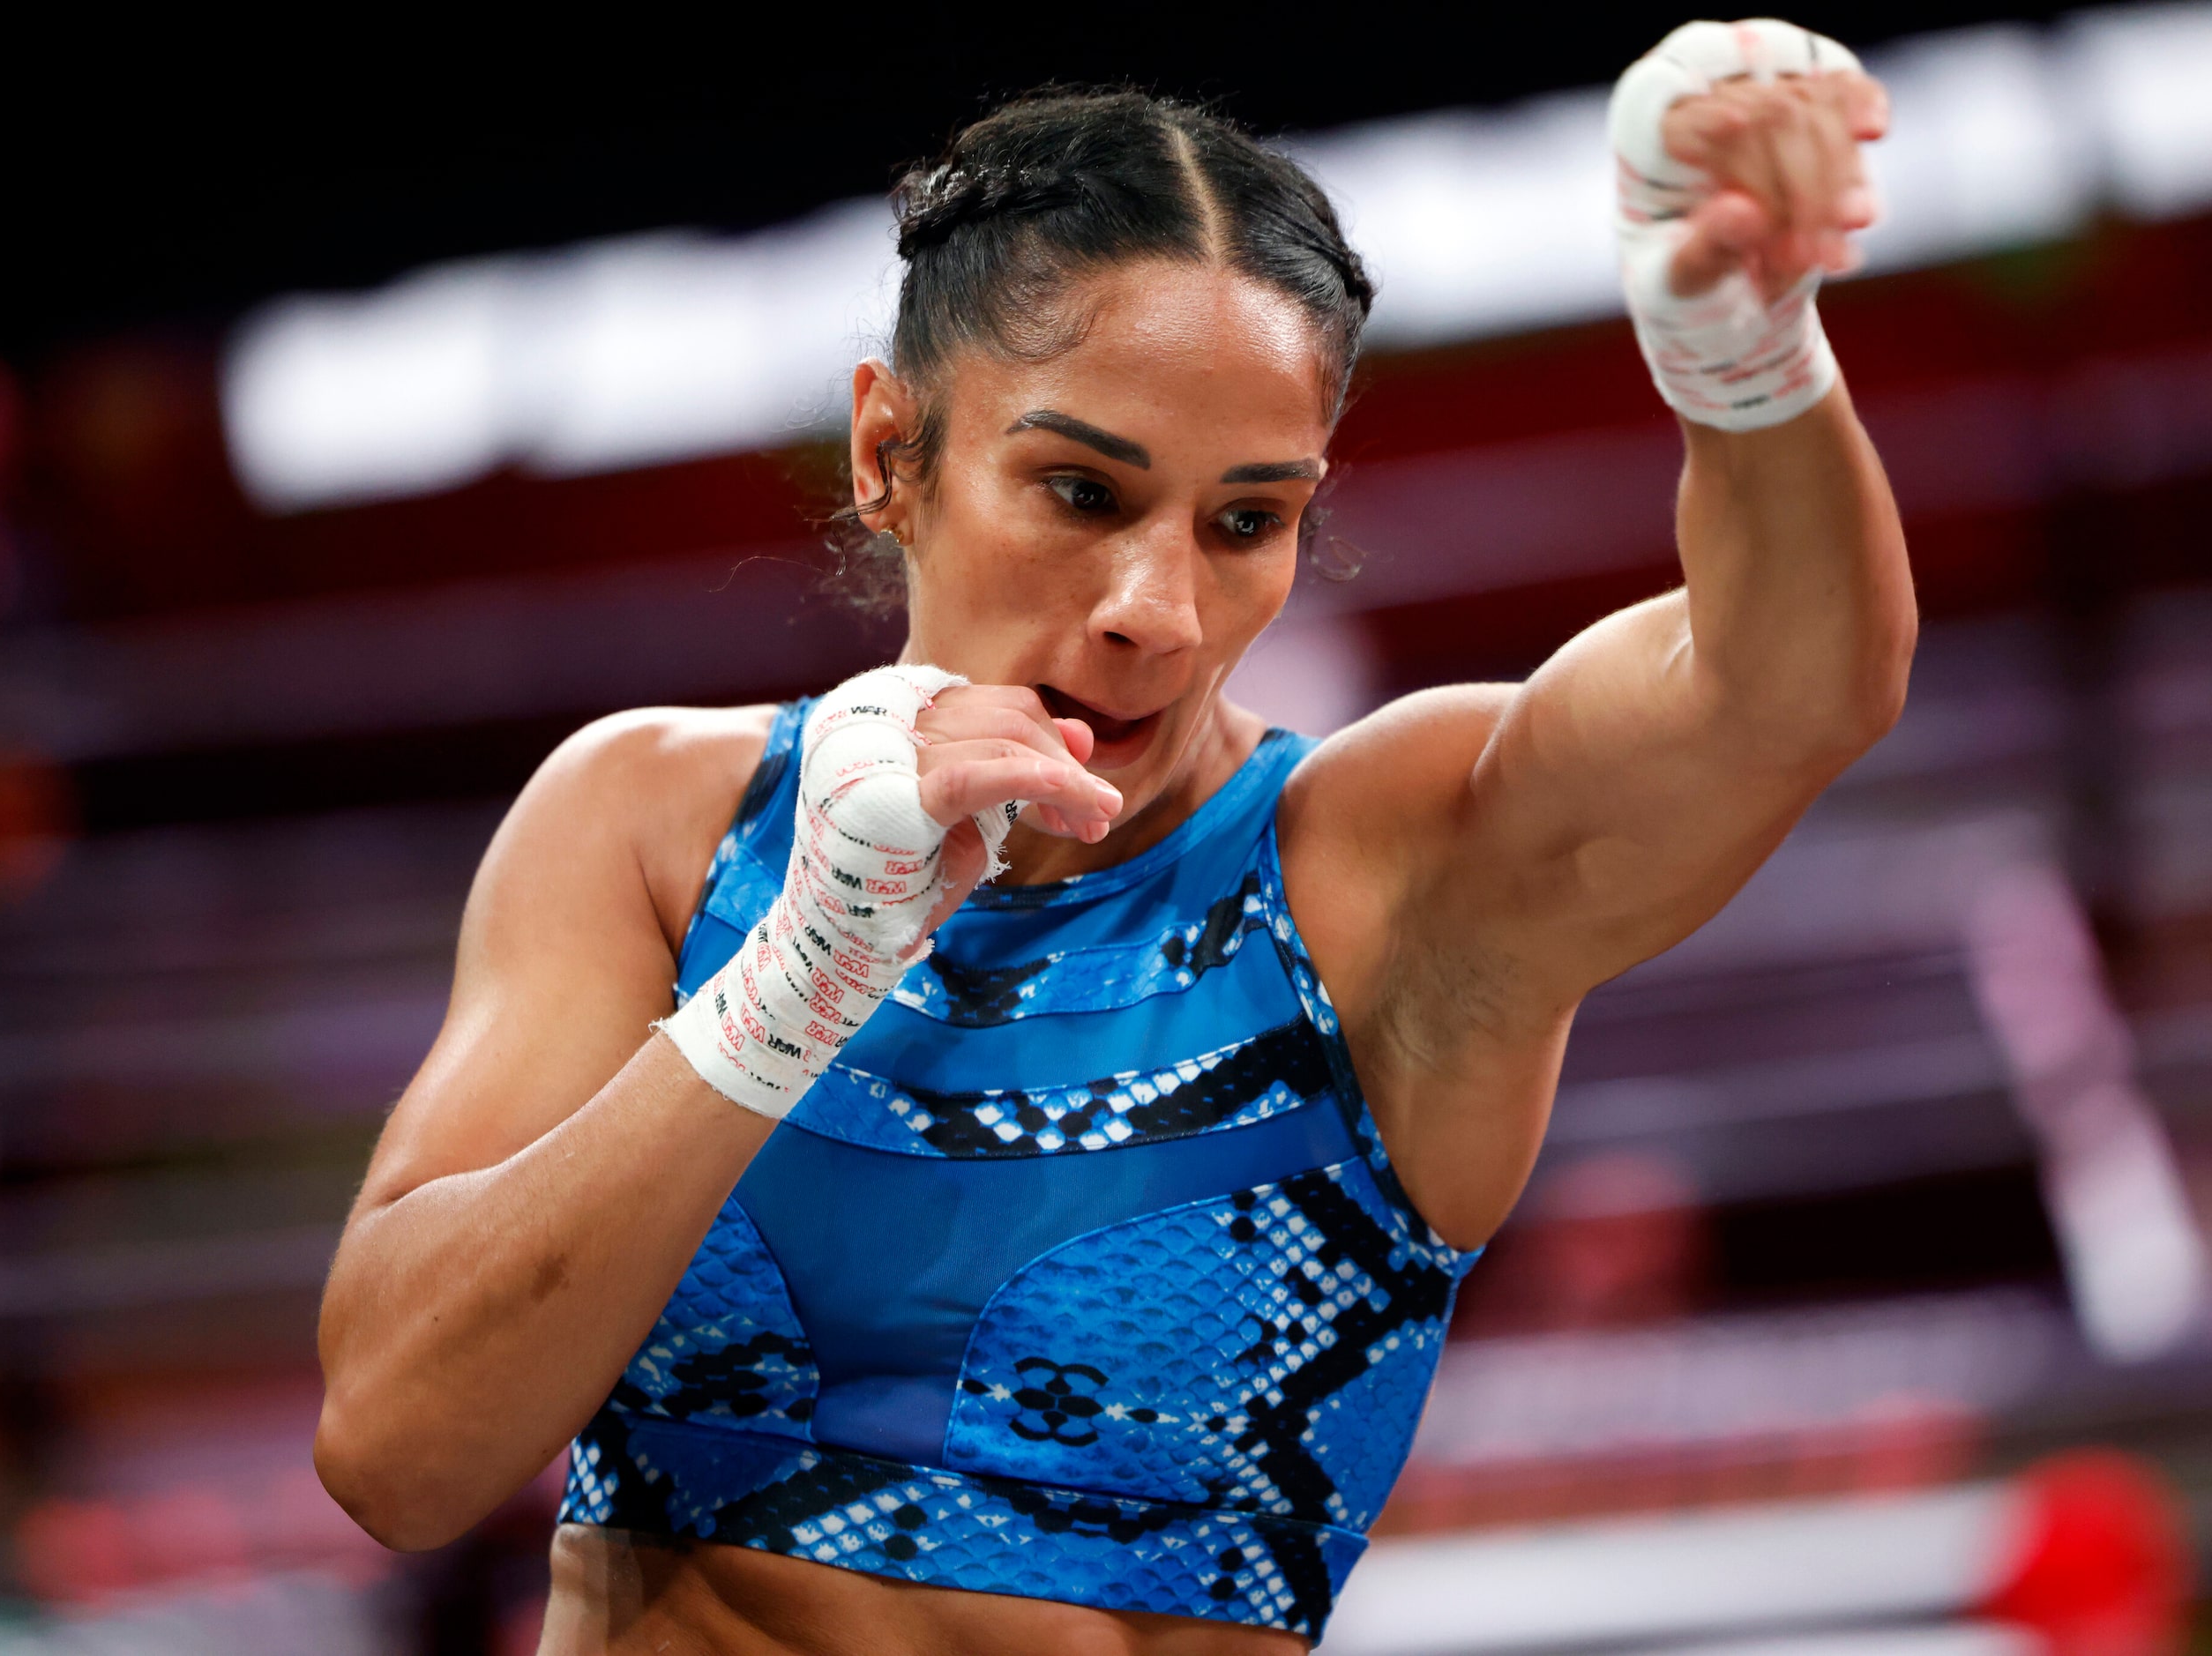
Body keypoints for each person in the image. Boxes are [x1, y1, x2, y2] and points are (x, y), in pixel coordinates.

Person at [315, 19, 1911, 1653]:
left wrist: (1741, 342)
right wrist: (796, 973)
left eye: (1246, 522)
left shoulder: (1382, 872)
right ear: (891, 453)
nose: (1160, 610)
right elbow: (394, 1451)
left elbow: (1785, 693)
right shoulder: (654, 823)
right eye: (1083, 491)